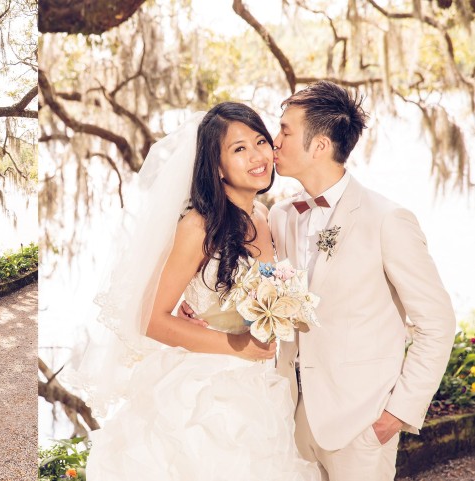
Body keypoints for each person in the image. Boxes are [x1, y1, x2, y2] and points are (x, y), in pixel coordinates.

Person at [183, 81, 455, 481]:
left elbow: (438, 323)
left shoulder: (387, 220)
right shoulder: (280, 216)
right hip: (288, 419)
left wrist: (396, 414)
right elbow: (264, 301)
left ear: (320, 146)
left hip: (360, 425)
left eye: (285, 131)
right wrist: (210, 317)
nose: (273, 144)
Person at [76, 103, 320, 480]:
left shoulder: (265, 216)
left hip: (262, 387)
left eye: (260, 141)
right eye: (239, 149)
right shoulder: (198, 226)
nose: (257, 156)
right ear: (217, 166)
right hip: (207, 390)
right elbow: (148, 318)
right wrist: (235, 345)